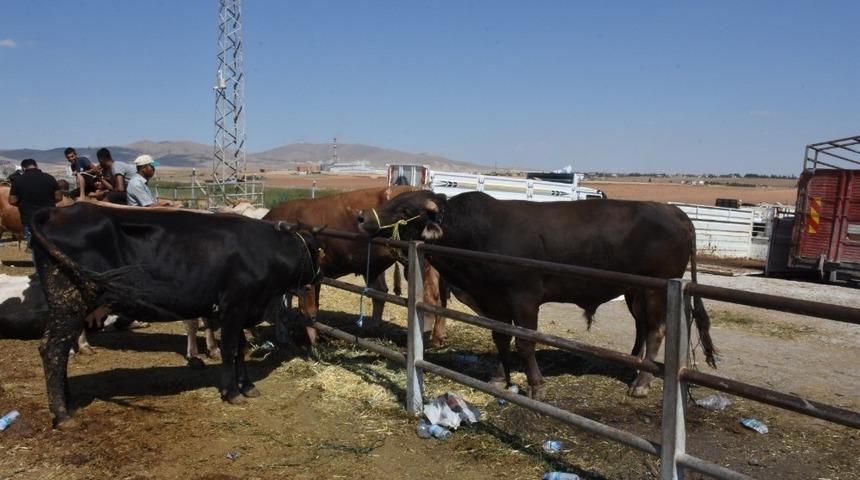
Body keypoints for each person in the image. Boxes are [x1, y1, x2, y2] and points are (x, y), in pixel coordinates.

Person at [8, 159, 62, 244]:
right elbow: (59, 197)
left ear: (23, 168)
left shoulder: (18, 181)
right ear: (36, 165)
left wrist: (23, 205)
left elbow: (12, 201)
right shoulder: (49, 178)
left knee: (35, 248)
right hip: (48, 218)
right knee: (51, 246)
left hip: (29, 220)